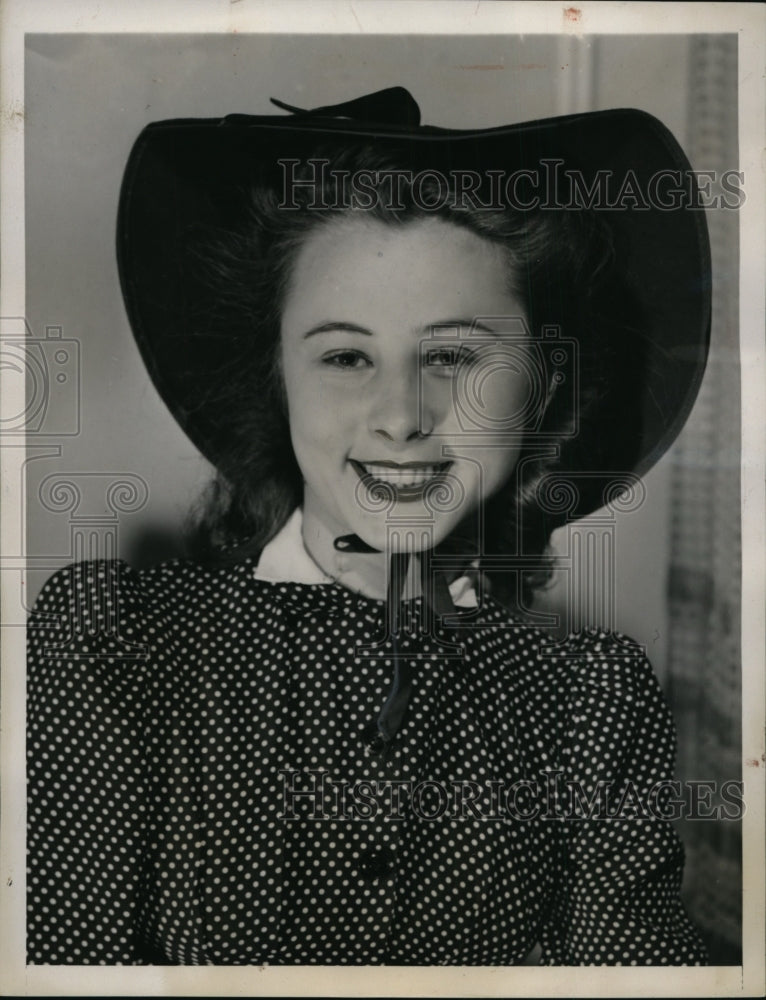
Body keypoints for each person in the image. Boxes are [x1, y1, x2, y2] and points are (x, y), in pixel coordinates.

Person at [26, 87, 711, 965]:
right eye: (346, 356)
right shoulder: (116, 642)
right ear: (278, 376)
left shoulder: (591, 700)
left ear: (540, 385)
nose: (399, 416)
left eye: (454, 355)